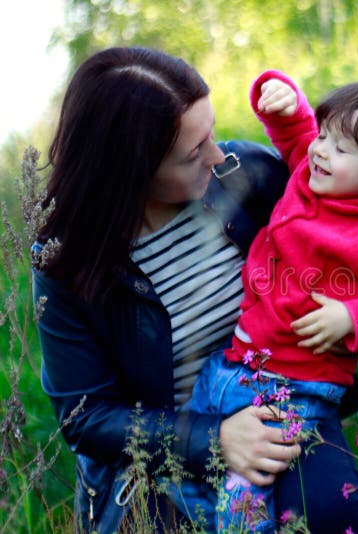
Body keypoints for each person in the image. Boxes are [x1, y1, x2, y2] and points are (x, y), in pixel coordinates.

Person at [32, 47, 307, 533]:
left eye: (212, 132)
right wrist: (214, 440)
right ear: (129, 172)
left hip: (282, 429)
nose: (218, 156)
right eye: (192, 153)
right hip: (159, 480)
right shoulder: (67, 262)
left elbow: (344, 227)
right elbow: (86, 416)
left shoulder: (247, 175)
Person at [189, 70, 358, 531]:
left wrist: (353, 316)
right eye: (325, 135)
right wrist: (283, 100)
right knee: (200, 473)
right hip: (234, 367)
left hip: (296, 388)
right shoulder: (312, 175)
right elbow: (298, 134)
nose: (320, 149)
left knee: (242, 505)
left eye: (341, 148)